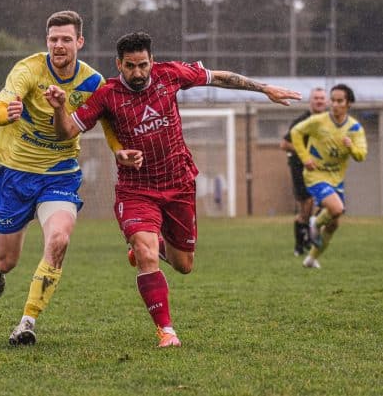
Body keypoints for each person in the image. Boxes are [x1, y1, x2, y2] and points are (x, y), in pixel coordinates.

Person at [44, 31, 301, 347]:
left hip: (178, 184)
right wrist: (59, 109)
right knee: (144, 252)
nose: (138, 73)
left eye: (143, 65)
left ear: (152, 60)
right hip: (136, 189)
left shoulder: (169, 75)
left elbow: (217, 77)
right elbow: (66, 132)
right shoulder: (107, 95)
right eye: (130, 66)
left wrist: (264, 89)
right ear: (118, 65)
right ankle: (166, 330)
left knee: (184, 265)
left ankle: (157, 247)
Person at [0, 10, 139, 347]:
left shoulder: (92, 82)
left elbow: (109, 121)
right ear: (47, 41)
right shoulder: (28, 70)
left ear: (79, 42)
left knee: (59, 241)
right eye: (53, 39)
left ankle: (27, 322)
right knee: (8, 261)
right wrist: (4, 114)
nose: (59, 45)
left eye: (66, 39)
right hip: (17, 174)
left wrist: (118, 149)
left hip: (60, 173)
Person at [289, 84, 367, 269]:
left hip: (336, 179)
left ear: (349, 104)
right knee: (337, 208)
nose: (335, 104)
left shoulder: (355, 128)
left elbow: (361, 155)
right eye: (333, 100)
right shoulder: (319, 121)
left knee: (334, 224)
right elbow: (295, 132)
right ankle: (315, 222)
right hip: (315, 174)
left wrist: (351, 147)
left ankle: (311, 259)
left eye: (340, 101)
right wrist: (305, 157)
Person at [280, 87, 328, 255]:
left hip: (321, 169)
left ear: (326, 101)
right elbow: (284, 144)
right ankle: (300, 245)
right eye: (316, 98)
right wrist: (305, 155)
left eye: (322, 98)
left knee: (328, 203)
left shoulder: (329, 121)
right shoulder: (301, 121)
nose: (320, 101)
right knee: (306, 205)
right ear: (311, 101)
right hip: (299, 167)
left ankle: (310, 235)